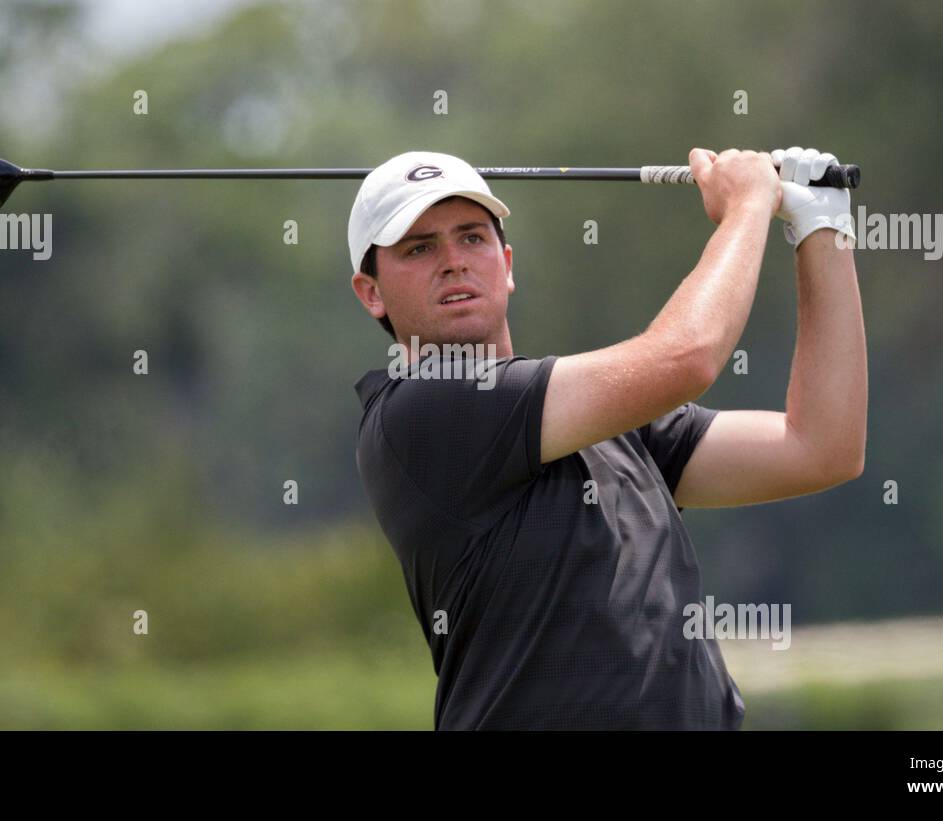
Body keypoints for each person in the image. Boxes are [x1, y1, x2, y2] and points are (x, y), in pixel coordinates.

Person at [348, 148, 867, 730]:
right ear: (372, 293)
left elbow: (822, 447)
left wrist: (823, 228)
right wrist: (748, 205)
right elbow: (686, 358)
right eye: (419, 248)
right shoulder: (419, 411)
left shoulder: (602, 424)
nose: (453, 262)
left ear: (507, 262)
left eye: (472, 237)